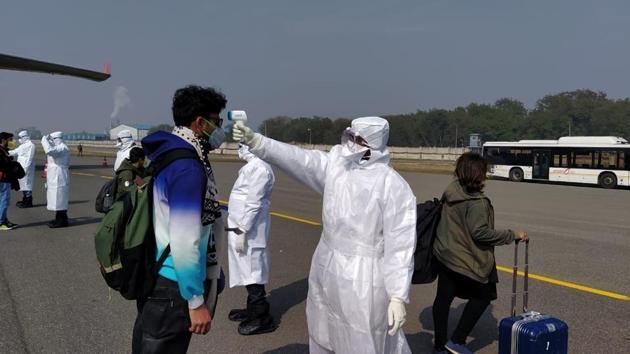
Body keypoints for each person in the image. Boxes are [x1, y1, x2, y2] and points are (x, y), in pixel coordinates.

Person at [233, 117, 417, 354]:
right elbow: (299, 159)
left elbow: (400, 244)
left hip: (363, 276)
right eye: (351, 137)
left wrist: (398, 296)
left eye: (358, 139)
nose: (352, 143)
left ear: (373, 143)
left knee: (361, 336)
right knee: (323, 329)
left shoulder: (391, 184)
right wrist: (258, 142)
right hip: (326, 264)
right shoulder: (337, 166)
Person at [132, 85, 227, 354]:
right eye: (217, 122)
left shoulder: (168, 155)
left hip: (157, 274)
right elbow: (185, 239)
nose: (220, 129)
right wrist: (195, 301)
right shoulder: (188, 167)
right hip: (174, 288)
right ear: (200, 123)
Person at [431, 153, 529, 354]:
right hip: (465, 258)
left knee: (443, 298)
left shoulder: (451, 191)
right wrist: (513, 235)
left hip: (445, 253)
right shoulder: (477, 202)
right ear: (478, 174)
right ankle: (457, 341)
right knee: (484, 295)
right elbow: (481, 233)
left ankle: (439, 345)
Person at [226, 143, 277, 335]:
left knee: (253, 269)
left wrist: (243, 230)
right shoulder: (252, 166)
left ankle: (262, 317)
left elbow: (254, 203)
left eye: (242, 145)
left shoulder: (260, 169)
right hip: (242, 227)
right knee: (245, 268)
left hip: (250, 230)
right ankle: (252, 309)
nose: (240, 149)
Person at [41, 132, 70, 228]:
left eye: (52, 140)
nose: (51, 142)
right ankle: (59, 218)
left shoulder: (62, 148)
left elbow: (49, 151)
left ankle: (62, 220)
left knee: (60, 198)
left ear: (57, 139)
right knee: (56, 198)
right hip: (55, 175)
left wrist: (44, 140)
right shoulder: (58, 147)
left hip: (59, 175)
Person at [9, 130, 36, 208]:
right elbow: (15, 152)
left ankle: (28, 202)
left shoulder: (31, 145)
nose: (19, 139)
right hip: (22, 169)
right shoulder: (23, 146)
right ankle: (24, 200)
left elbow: (30, 158)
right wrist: (5, 152)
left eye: (20, 137)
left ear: (25, 137)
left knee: (27, 185)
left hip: (27, 169)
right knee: (23, 185)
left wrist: (26, 169)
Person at [0, 132, 19, 230]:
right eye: (10, 140)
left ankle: (4, 220)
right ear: (3, 140)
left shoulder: (4, 150)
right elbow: (2, 165)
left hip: (5, 179)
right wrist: (12, 165)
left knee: (3, 201)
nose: (11, 142)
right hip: (3, 179)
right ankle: (1, 223)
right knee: (4, 200)